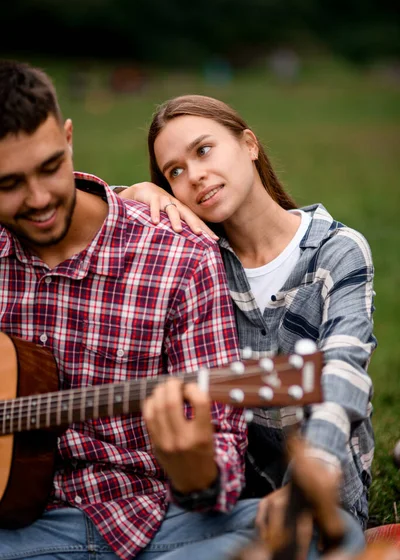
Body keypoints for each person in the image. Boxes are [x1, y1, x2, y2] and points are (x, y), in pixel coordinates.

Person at [0, 62, 260, 560]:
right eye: (9, 183)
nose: (39, 199)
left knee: (315, 529)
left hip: (154, 524)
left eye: (51, 167)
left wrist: (200, 474)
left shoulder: (178, 253)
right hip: (15, 531)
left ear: (69, 138)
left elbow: (224, 438)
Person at [118, 94, 377, 558]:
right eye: (173, 172)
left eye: (203, 150)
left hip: (325, 493)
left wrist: (305, 480)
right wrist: (134, 196)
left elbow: (345, 370)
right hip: (228, 501)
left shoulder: (335, 252)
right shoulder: (197, 260)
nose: (193, 175)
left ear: (249, 144)